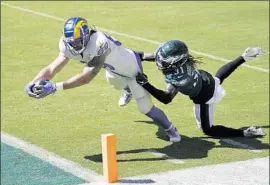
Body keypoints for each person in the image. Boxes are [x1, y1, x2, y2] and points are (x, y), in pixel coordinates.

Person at [24, 17, 181, 142]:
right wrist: (34, 81)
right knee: (113, 81)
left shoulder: (99, 42)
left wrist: (54, 87)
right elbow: (53, 68)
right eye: (71, 42)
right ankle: (127, 90)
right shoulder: (67, 44)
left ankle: (171, 129)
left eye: (78, 41)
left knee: (145, 108)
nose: (74, 45)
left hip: (132, 70)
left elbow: (87, 77)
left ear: (86, 36)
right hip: (113, 69)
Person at [135, 40, 265, 138]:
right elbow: (152, 56)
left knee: (208, 130)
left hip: (205, 95)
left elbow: (166, 98)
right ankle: (244, 57)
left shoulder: (180, 77)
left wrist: (146, 84)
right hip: (204, 77)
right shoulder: (181, 60)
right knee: (217, 79)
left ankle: (244, 132)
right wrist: (129, 54)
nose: (160, 60)